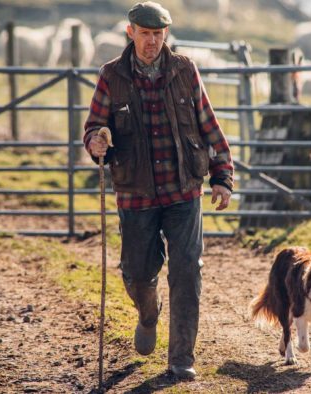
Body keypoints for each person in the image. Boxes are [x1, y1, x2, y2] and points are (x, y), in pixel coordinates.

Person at [83, 1, 233, 380]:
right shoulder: (111, 76)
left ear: (166, 34)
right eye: (145, 34)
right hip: (136, 193)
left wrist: (222, 176)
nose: (152, 42)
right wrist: (95, 143)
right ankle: (148, 313)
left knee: (187, 271)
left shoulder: (185, 70)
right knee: (136, 274)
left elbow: (208, 126)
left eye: (158, 34)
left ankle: (181, 358)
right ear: (130, 32)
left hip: (183, 189)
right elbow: (93, 127)